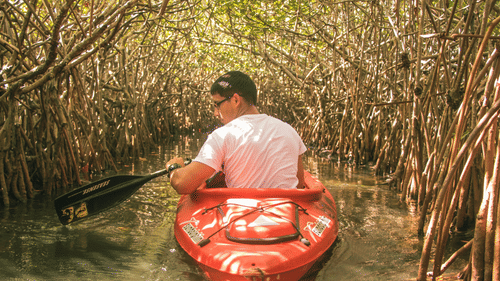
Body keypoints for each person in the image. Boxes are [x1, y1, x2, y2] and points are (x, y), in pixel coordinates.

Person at [166, 71, 307, 194]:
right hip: (287, 214)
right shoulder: (289, 131)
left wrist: (174, 167)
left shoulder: (222, 135)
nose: (215, 113)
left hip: (242, 217)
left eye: (217, 104)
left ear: (235, 100)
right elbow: (299, 183)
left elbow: (182, 184)